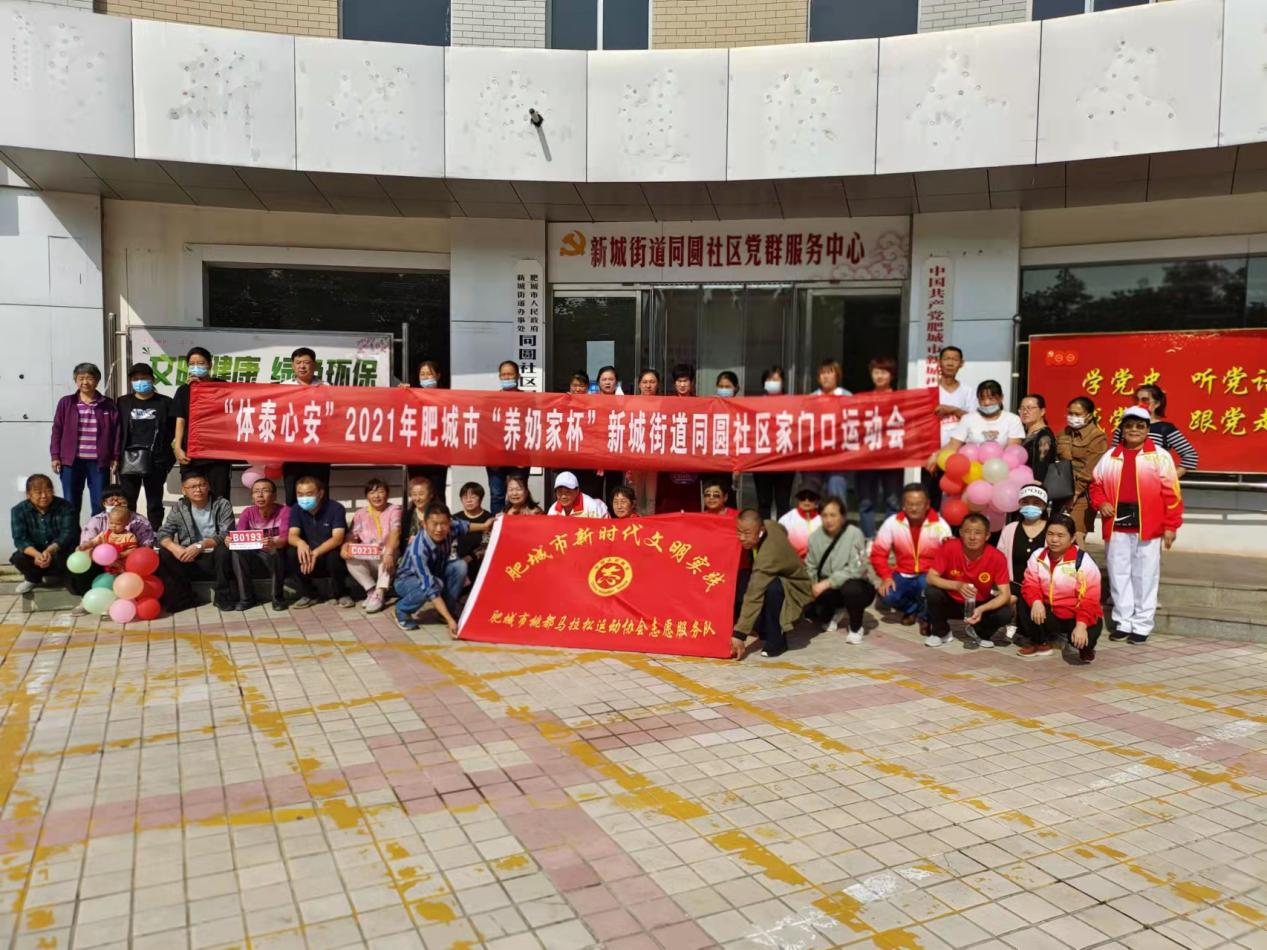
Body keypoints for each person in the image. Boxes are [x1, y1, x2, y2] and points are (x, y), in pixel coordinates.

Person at [1091, 405, 1183, 646]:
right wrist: (1102, 503)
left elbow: (1172, 494)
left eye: (1140, 426)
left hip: (1148, 527)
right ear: (1122, 429)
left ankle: (1142, 624)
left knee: (1145, 576)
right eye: (1129, 426)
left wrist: (1171, 526)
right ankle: (1123, 622)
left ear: (1147, 429)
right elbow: (1096, 485)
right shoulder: (1110, 457)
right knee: (1118, 574)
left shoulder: (1160, 456)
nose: (1134, 430)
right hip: (1117, 526)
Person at [393, 503, 495, 634]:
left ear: (449, 522)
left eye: (443, 524)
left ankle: (447, 609)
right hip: (406, 581)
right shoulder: (418, 550)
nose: (439, 529)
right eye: (434, 524)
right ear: (424, 524)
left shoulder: (451, 527)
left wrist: (485, 526)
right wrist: (450, 620)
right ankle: (402, 610)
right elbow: (429, 586)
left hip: (436, 571)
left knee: (459, 566)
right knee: (435, 584)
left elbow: (465, 526)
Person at [1017, 513, 1104, 663]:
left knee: (1085, 639)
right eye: (1050, 534)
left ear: (1072, 538)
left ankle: (1085, 647)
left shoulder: (1083, 562)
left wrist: (1081, 625)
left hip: (1075, 615)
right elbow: (1030, 584)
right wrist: (1036, 601)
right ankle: (1040, 642)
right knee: (1025, 600)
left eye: (1060, 535)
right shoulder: (1037, 556)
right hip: (1049, 612)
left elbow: (1089, 598)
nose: (1054, 539)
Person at [869, 483, 953, 638]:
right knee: (887, 595)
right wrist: (886, 576)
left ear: (927, 504)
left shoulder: (940, 525)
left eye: (919, 504)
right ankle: (912, 610)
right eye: (910, 504)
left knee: (927, 588)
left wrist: (940, 576)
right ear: (903, 505)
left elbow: (949, 556)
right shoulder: (892, 523)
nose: (914, 508)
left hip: (928, 574)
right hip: (902, 573)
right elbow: (878, 553)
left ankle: (925, 618)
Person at [731, 510, 813, 659]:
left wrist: (739, 634)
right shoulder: (769, 525)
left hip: (796, 588)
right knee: (740, 582)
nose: (742, 538)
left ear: (761, 530)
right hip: (774, 575)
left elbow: (754, 595)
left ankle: (777, 639)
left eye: (747, 533)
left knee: (771, 588)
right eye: (739, 532)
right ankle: (763, 627)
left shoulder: (768, 556)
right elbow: (781, 530)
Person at [926, 512, 1014, 649]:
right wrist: (957, 585)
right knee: (932, 592)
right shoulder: (949, 547)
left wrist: (982, 609)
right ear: (961, 532)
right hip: (953, 601)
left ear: (987, 536)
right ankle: (941, 632)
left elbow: (1005, 594)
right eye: (967, 532)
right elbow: (930, 577)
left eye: (978, 533)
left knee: (1006, 612)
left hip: (979, 604)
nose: (972, 537)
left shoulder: (997, 557)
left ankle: (981, 634)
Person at [155, 472, 235, 612]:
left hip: (214, 557)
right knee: (165, 551)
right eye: (192, 487)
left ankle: (222, 597)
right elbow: (163, 533)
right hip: (189, 558)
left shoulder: (222, 504)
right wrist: (174, 547)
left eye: (202, 485)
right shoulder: (179, 507)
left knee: (224, 549)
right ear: (184, 490)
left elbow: (226, 533)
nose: (198, 490)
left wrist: (201, 545)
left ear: (208, 486)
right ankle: (184, 598)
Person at [51, 362, 119, 517]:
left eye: (89, 378)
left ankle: (96, 532)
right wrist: (55, 456)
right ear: (76, 380)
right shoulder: (66, 402)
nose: (85, 382)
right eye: (81, 378)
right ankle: (71, 532)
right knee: (70, 502)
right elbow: (57, 430)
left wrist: (115, 457)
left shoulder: (108, 404)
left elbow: (116, 433)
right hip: (71, 461)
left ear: (97, 381)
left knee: (99, 502)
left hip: (98, 462)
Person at [804, 496, 876, 643]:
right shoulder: (814, 538)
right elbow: (810, 566)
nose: (829, 520)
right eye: (824, 515)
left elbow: (857, 568)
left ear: (842, 517)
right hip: (829, 588)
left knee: (852, 589)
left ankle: (856, 628)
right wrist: (811, 587)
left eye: (833, 515)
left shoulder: (854, 533)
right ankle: (835, 611)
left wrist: (828, 583)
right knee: (814, 614)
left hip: (856, 584)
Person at [115, 362, 177, 529]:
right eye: (135, 379)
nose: (140, 382)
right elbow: (116, 430)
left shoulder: (165, 402)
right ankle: (128, 532)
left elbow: (174, 429)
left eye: (144, 378)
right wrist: (115, 457)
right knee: (128, 500)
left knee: (154, 501)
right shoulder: (123, 402)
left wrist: (167, 455)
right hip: (129, 458)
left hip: (156, 460)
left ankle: (154, 533)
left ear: (152, 379)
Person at [173, 346, 231, 501]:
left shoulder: (222, 386)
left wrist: (202, 389)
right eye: (192, 364)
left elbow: (228, 412)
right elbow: (180, 420)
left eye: (201, 363)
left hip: (217, 452)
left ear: (210, 364)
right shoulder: (184, 390)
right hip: (191, 452)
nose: (196, 367)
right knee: (193, 496)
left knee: (220, 497)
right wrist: (178, 447)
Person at [10, 474, 83, 595]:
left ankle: (65, 577)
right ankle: (32, 578)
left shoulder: (66, 507)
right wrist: (37, 554)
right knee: (19, 557)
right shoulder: (18, 510)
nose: (44, 496)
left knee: (76, 588)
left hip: (61, 553)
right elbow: (19, 539)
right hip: (36, 555)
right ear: (28, 494)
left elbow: (69, 534)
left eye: (48, 491)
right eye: (38, 492)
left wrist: (49, 551)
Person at [923, 346, 976, 508]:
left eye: (954, 359)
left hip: (957, 454)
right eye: (946, 359)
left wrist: (952, 410)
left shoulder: (967, 391)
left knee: (954, 498)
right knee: (930, 498)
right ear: (939, 362)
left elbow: (973, 420)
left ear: (961, 363)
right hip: (932, 453)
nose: (950, 363)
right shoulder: (929, 389)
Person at [287, 476, 351, 609]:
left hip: (327, 552)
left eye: (309, 494)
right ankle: (309, 594)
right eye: (300, 494)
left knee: (334, 555)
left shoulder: (335, 508)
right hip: (308, 555)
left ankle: (341, 593)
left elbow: (337, 538)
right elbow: (292, 535)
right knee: (291, 552)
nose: (304, 498)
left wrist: (315, 553)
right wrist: (301, 543)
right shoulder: (296, 509)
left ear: (320, 494)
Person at [997, 484, 1050, 643]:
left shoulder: (1052, 530)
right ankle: (1011, 622)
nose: (1030, 506)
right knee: (1005, 601)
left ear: (1044, 505)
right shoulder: (1010, 529)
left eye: (1036, 502)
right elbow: (999, 560)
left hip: (1041, 587)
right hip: (1013, 584)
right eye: (1026, 502)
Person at [280, 347, 333, 506]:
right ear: (292, 365)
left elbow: (333, 414)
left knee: (320, 489)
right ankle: (294, 521)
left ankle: (322, 520)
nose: (302, 366)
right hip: (292, 448)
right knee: (292, 491)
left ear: (314, 365)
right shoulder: (284, 387)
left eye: (306, 362)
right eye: (298, 363)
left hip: (318, 448)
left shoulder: (326, 387)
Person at [857, 356, 903, 539]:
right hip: (867, 457)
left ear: (892, 375)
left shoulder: (902, 399)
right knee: (866, 502)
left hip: (893, 458)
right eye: (876, 372)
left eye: (884, 372)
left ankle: (888, 539)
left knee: (893, 501)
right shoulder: (862, 400)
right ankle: (869, 539)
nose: (879, 376)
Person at [1111, 384, 1198, 478]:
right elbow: (1112, 456)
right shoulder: (1123, 427)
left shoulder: (1165, 429)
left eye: (1145, 400)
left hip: (1152, 482)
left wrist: (1169, 479)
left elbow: (1190, 455)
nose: (1139, 403)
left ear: (1157, 404)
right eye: (1136, 400)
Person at [230, 476, 290, 611]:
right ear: (252, 497)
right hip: (254, 555)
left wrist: (274, 543)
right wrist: (231, 541)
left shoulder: (285, 511)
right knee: (236, 552)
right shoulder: (248, 512)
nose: (260, 495)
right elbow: (239, 535)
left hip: (275, 554)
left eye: (265, 491)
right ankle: (246, 598)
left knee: (276, 551)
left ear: (274, 496)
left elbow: (285, 538)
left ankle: (277, 597)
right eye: (256, 491)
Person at [343, 478, 401, 614]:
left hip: (388, 555)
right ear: (367, 496)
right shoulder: (360, 513)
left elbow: (395, 531)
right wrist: (345, 547)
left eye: (380, 492)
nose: (376, 496)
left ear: (387, 494)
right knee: (350, 555)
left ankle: (380, 592)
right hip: (369, 555)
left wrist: (389, 552)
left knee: (388, 550)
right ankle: (371, 591)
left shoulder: (394, 509)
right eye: (372, 492)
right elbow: (352, 536)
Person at [1056, 397, 1109, 545]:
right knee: (1058, 536)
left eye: (1077, 414)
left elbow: (1090, 470)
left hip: (1082, 494)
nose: (1073, 417)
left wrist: (1075, 493)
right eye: (1070, 413)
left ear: (1089, 416)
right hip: (1061, 490)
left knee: (1075, 538)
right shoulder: (1063, 433)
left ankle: (1080, 561)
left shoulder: (1097, 437)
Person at [935, 380, 1024, 459]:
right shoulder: (967, 419)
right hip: (972, 469)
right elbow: (952, 446)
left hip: (1001, 468)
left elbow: (1012, 452)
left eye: (991, 398)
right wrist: (935, 456)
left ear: (1001, 398)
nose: (986, 403)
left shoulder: (1013, 420)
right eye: (982, 399)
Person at [486, 361, 531, 515]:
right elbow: (486, 428)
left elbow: (532, 426)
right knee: (497, 495)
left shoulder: (527, 399)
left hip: (519, 456)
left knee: (519, 494)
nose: (507, 377)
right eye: (504, 374)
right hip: (496, 456)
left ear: (517, 376)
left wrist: (524, 453)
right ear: (499, 377)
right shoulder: (492, 400)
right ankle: (497, 526)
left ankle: (519, 525)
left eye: (510, 374)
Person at [656, 364, 702, 513]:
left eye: (685, 381)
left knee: (691, 501)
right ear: (674, 383)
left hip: (692, 458)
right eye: (679, 381)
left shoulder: (700, 404)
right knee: (668, 502)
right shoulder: (667, 403)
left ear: (692, 382)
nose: (682, 385)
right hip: (670, 458)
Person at [807, 359, 853, 502]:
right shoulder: (810, 399)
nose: (826, 377)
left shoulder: (847, 397)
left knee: (836, 493)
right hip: (815, 456)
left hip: (838, 457)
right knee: (811, 495)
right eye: (822, 373)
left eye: (829, 373)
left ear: (837, 375)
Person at [403, 360, 448, 503]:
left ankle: (439, 517)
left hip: (437, 454)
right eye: (422, 374)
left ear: (438, 375)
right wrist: (401, 393)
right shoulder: (412, 395)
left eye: (429, 373)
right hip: (416, 454)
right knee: (418, 492)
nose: (425, 377)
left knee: (437, 492)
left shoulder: (447, 397)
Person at [753, 366, 794, 520]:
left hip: (785, 461)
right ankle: (763, 533)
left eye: (776, 379)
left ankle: (782, 533)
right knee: (763, 502)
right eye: (769, 379)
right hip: (762, 460)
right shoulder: (755, 404)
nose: (773, 382)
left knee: (783, 502)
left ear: (783, 382)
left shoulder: (792, 403)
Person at [78, 484, 156, 552]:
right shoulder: (96, 520)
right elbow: (87, 543)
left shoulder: (140, 521)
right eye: (112, 500)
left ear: (127, 501)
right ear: (104, 503)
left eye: (120, 499)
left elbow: (147, 545)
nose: (116, 503)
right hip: (101, 558)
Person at [628, 369, 661, 514]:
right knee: (634, 494)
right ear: (639, 385)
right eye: (645, 382)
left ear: (658, 384)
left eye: (652, 382)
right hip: (635, 456)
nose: (648, 385)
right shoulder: (630, 404)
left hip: (655, 457)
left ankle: (650, 524)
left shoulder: (664, 404)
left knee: (652, 496)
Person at [454, 481, 492, 582]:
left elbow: (487, 544)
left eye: (473, 497)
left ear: (481, 498)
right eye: (465, 497)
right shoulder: (455, 518)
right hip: (458, 564)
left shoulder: (489, 518)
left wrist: (470, 557)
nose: (469, 500)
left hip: (480, 565)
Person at [1018, 393, 1057, 486]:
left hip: (1034, 487)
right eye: (1022, 408)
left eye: (1030, 408)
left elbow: (1042, 465)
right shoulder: (1023, 433)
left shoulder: (1044, 436)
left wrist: (1036, 486)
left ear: (1042, 411)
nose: (1025, 412)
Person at [90, 506, 141, 572]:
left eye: (118, 524)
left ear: (126, 523)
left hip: (123, 563)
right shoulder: (106, 533)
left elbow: (133, 550)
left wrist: (121, 554)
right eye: (111, 523)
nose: (114, 526)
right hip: (107, 562)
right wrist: (87, 545)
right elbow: (94, 541)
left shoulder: (129, 536)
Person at [778, 487, 821, 560]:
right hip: (792, 561)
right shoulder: (786, 519)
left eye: (811, 497)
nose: (806, 501)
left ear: (816, 500)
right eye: (803, 497)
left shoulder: (823, 520)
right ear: (798, 499)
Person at [401, 476, 435, 549]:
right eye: (414, 494)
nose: (417, 498)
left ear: (431, 495)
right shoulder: (406, 515)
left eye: (421, 494)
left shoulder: (439, 515)